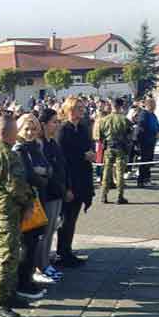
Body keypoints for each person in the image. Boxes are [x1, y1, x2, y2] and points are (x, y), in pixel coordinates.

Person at [0, 114, 36, 317]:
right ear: (8, 132)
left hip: (4, 210)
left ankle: (9, 294)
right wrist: (29, 202)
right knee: (6, 256)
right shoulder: (5, 153)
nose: (18, 133)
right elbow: (15, 186)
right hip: (7, 211)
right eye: (16, 130)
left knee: (12, 253)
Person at [55, 97, 94, 266]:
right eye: (78, 107)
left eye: (82, 107)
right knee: (66, 219)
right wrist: (67, 187)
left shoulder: (83, 127)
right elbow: (62, 157)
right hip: (70, 178)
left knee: (72, 218)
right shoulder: (63, 130)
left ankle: (67, 249)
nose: (82, 110)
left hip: (82, 177)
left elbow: (88, 145)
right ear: (69, 109)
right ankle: (62, 253)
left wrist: (91, 153)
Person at [14, 113, 50, 299]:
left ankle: (27, 278)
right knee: (26, 245)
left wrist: (43, 174)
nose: (30, 132)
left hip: (37, 200)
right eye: (26, 129)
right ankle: (23, 283)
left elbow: (48, 168)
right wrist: (42, 176)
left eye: (34, 129)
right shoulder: (19, 149)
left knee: (33, 242)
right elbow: (28, 175)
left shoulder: (36, 147)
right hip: (26, 203)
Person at [38, 108, 67, 280]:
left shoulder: (53, 143)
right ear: (44, 124)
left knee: (51, 231)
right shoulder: (40, 144)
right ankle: (40, 266)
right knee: (44, 233)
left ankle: (46, 263)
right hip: (47, 194)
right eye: (54, 122)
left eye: (57, 122)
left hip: (57, 193)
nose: (57, 125)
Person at [98, 97, 133, 204]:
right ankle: (120, 196)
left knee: (106, 171)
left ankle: (103, 195)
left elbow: (100, 136)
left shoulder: (104, 120)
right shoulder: (125, 120)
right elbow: (130, 135)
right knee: (119, 172)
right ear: (121, 106)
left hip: (109, 147)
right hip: (121, 148)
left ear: (112, 106)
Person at [135, 98, 159, 187]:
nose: (155, 106)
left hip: (151, 141)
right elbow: (141, 128)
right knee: (144, 161)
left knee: (149, 161)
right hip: (145, 142)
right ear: (149, 105)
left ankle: (147, 179)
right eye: (153, 104)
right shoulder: (144, 114)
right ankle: (141, 180)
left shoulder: (153, 115)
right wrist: (138, 143)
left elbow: (157, 125)